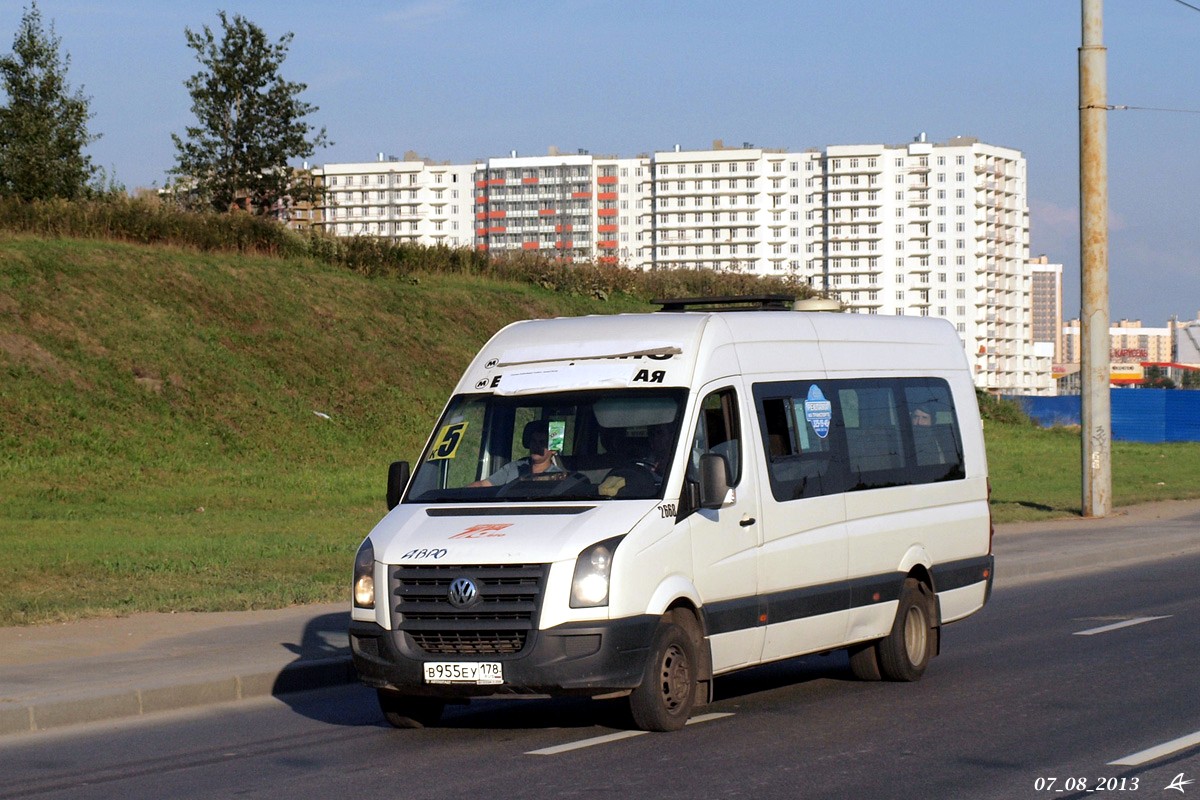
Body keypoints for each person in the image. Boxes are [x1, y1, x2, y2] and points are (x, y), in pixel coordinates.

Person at [470, 419, 564, 487]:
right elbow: (484, 485)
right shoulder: (513, 468)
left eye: (542, 443)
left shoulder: (558, 477)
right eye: (533, 441)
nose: (536, 446)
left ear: (553, 449)